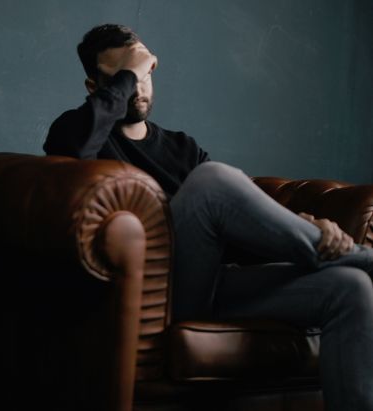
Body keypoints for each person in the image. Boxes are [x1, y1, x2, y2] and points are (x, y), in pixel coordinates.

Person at [43, 23, 373, 410]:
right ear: (95, 87)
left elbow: (233, 227)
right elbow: (68, 152)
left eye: (145, 71)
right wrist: (131, 74)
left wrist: (302, 225)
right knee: (212, 180)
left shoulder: (183, 148)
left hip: (214, 285)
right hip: (159, 296)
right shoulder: (77, 132)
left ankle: (343, 258)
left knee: (351, 288)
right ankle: (356, 256)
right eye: (123, 75)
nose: (138, 86)